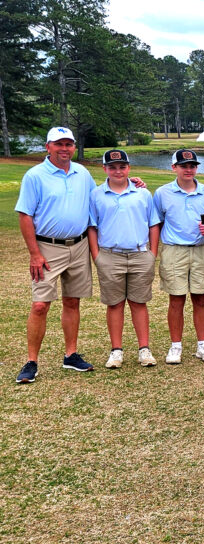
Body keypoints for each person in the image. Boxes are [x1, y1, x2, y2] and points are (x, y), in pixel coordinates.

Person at [15, 127, 96, 383]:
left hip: (79, 245)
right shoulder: (35, 175)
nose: (64, 149)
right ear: (48, 147)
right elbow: (25, 215)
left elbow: (98, 198)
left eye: (68, 144)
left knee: (73, 301)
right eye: (58, 144)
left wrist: (133, 182)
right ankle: (31, 362)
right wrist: (34, 253)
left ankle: (70, 355)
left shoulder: (82, 172)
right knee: (40, 305)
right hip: (47, 247)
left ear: (73, 146)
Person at [87, 150, 161, 369]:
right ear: (105, 169)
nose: (117, 171)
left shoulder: (143, 193)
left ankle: (144, 349)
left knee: (139, 303)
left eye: (122, 166)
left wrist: (152, 253)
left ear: (128, 168)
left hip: (140, 254)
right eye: (112, 167)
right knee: (115, 304)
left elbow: (153, 224)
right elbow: (92, 226)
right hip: (109, 255)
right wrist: (97, 256)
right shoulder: (96, 194)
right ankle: (116, 350)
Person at [153, 149, 204, 364]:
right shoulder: (162, 193)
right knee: (176, 299)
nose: (188, 169)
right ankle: (176, 346)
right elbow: (158, 221)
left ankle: (203, 345)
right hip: (174, 250)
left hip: (200, 250)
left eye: (192, 165)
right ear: (174, 168)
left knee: (200, 298)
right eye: (183, 165)